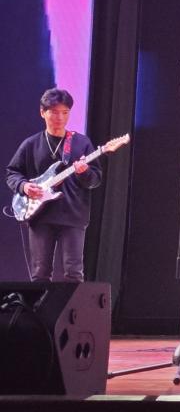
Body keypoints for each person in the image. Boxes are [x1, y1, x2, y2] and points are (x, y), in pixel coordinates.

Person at [6, 88, 101, 282]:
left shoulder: (81, 143)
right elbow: (12, 173)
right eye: (55, 112)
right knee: (40, 274)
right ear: (43, 112)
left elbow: (95, 179)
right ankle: (40, 304)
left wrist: (84, 172)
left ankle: (73, 304)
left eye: (65, 112)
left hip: (73, 215)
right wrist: (24, 186)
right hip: (40, 216)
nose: (60, 117)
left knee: (74, 273)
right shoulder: (31, 144)